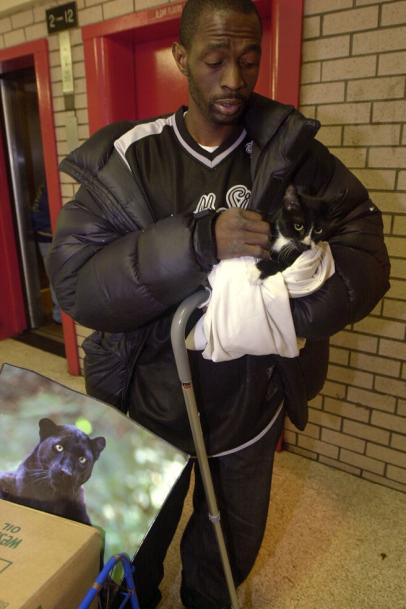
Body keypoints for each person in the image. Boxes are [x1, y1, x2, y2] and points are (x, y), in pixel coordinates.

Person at [48, 1, 390, 607]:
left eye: (249, 59)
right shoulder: (130, 157)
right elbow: (78, 284)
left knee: (227, 552)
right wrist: (199, 240)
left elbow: (367, 252)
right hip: (148, 408)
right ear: (180, 58)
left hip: (248, 410)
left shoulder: (290, 153)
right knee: (135, 551)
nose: (234, 78)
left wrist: (279, 313)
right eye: (214, 59)